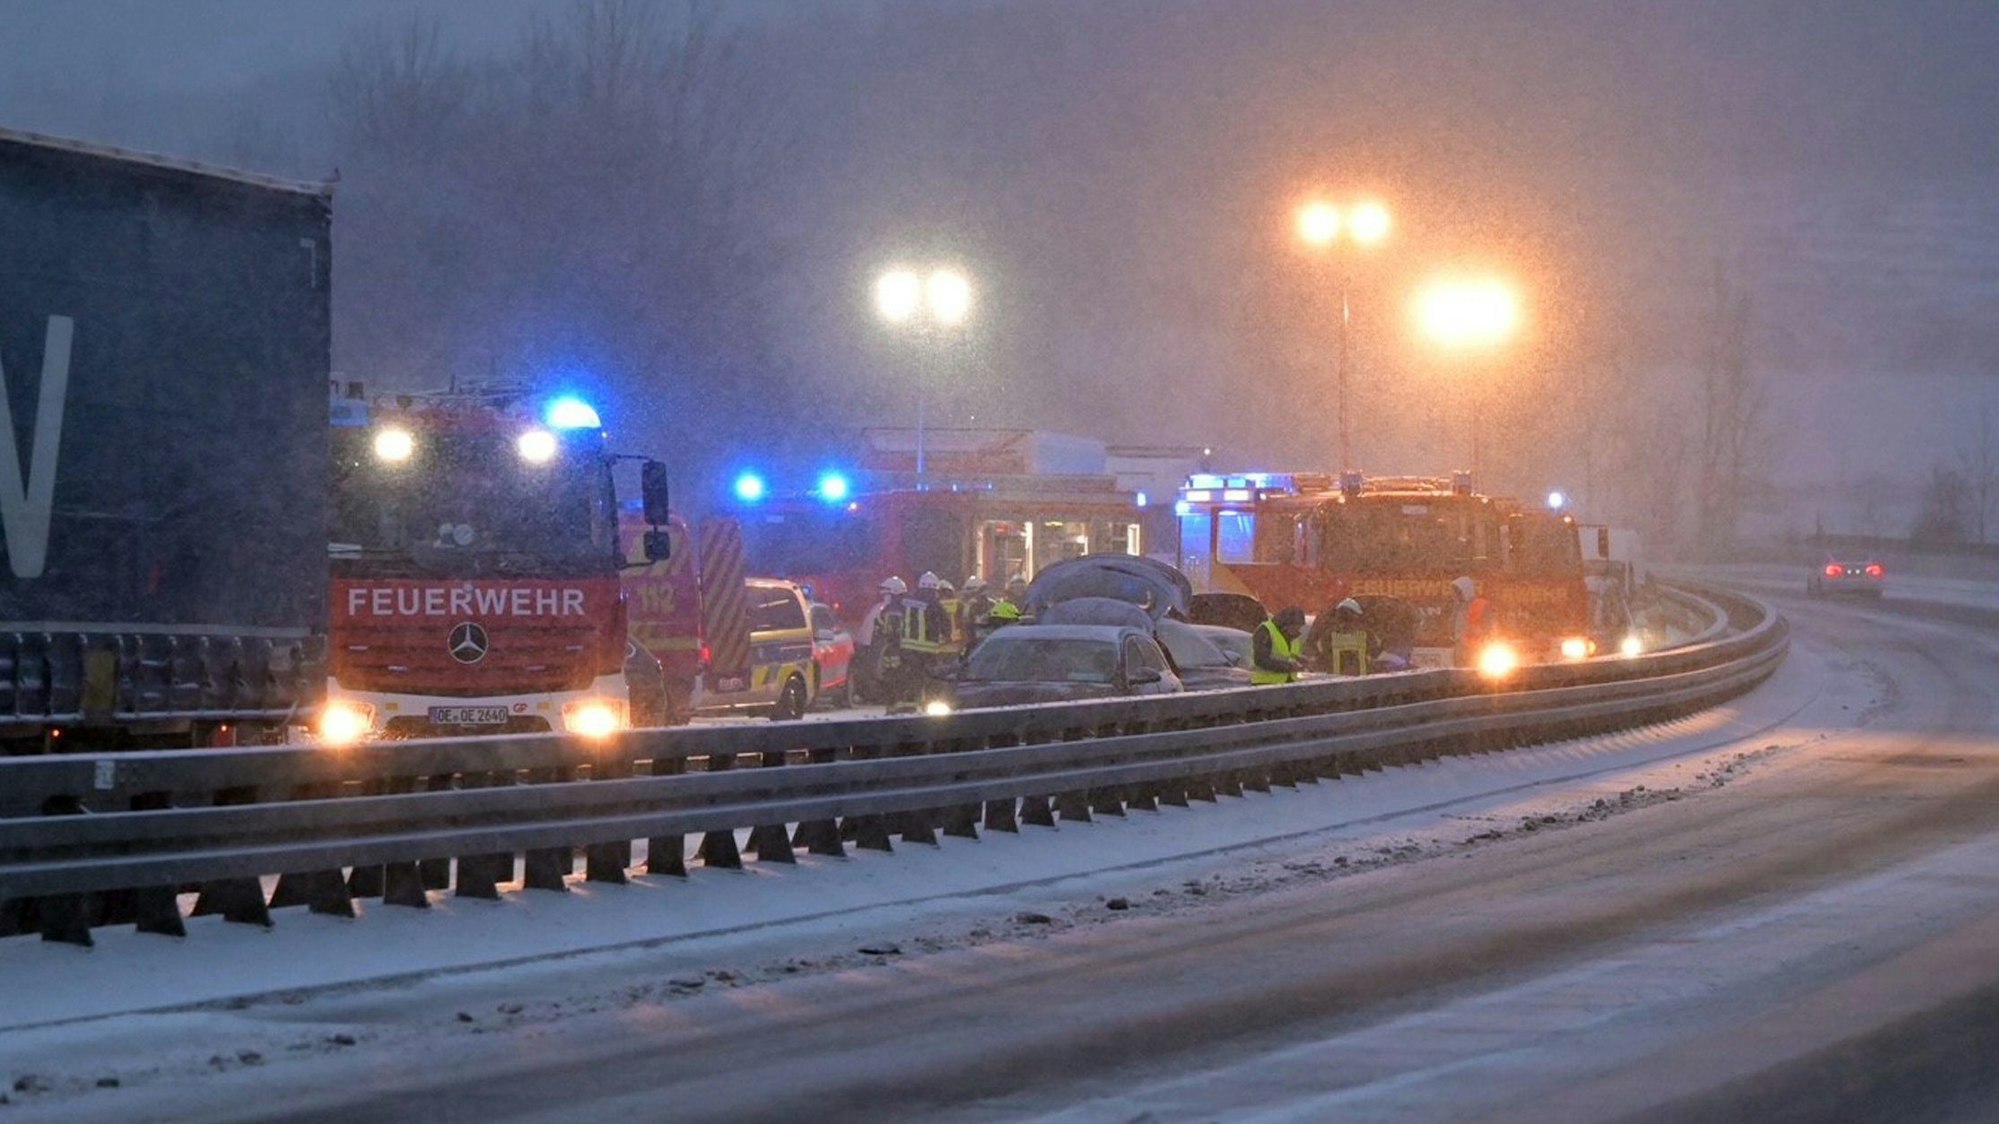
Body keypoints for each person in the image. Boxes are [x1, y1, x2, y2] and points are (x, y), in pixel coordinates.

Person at [1252, 606, 1306, 685]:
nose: (1297, 630)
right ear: (1286, 624)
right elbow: (1260, 660)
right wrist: (1289, 667)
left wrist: (1299, 658)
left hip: (1289, 684)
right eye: (1295, 627)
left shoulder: (1293, 636)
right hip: (1265, 684)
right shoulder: (1265, 631)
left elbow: (1286, 654)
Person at [1452, 575, 1491, 663]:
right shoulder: (1457, 607)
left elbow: (1490, 627)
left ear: (1465, 590)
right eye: (1456, 592)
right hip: (1460, 649)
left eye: (1459, 592)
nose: (1457, 594)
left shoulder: (1481, 604)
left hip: (1478, 650)